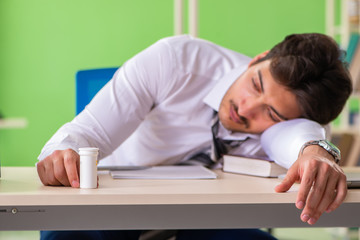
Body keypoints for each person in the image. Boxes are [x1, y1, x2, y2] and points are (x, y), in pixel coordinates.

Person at [37, 33, 352, 240]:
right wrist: (62, 153)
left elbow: (303, 140)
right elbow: (89, 130)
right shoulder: (175, 62)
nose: (246, 108)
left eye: (272, 114)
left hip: (207, 219)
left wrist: (315, 152)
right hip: (115, 207)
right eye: (256, 85)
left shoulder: (297, 127)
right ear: (260, 57)